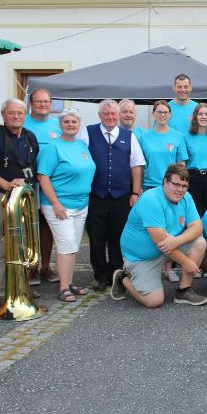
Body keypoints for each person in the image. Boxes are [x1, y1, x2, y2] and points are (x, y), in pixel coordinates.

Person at [113, 163, 207, 308]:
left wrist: (178, 240)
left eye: (184, 186)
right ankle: (123, 278)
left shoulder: (186, 197)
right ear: (165, 182)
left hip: (168, 246)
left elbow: (197, 227)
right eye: (176, 184)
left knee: (199, 243)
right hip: (141, 257)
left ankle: (184, 291)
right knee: (154, 301)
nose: (180, 190)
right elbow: (161, 242)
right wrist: (187, 263)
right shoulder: (151, 199)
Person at [78, 99, 145, 291]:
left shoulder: (128, 136)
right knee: (97, 237)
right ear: (100, 116)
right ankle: (100, 275)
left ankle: (117, 274)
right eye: (105, 114)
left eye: (113, 114)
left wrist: (135, 192)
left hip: (121, 196)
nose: (110, 117)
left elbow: (136, 166)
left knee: (118, 237)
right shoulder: (87, 133)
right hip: (96, 195)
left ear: (118, 115)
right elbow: (80, 160)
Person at [0, 99, 40, 305]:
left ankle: (22, 288)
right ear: (3, 115)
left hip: (25, 197)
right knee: (3, 245)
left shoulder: (30, 137)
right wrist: (8, 185)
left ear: (25, 115)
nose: (16, 116)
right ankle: (1, 291)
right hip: (2, 196)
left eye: (20, 113)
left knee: (25, 245)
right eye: (12, 113)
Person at [37, 109, 95, 302]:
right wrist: (55, 203)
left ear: (79, 125)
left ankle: (69, 282)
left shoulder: (81, 145)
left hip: (81, 205)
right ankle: (63, 288)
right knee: (66, 245)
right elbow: (43, 176)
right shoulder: (53, 147)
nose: (71, 125)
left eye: (74, 122)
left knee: (73, 246)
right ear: (60, 125)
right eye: (67, 122)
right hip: (60, 206)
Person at [24, 88, 61, 285]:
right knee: (30, 225)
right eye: (38, 101)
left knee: (47, 226)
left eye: (46, 101)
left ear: (51, 104)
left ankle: (46, 267)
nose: (43, 105)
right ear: (31, 104)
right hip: (30, 184)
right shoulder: (23, 123)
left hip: (52, 184)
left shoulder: (57, 125)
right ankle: (31, 267)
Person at [141, 100, 189, 190]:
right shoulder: (144, 138)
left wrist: (180, 186)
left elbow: (181, 166)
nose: (162, 115)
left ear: (170, 114)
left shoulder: (178, 136)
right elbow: (140, 166)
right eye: (159, 112)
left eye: (165, 112)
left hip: (172, 185)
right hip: (150, 185)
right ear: (153, 114)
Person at [184, 102, 207, 215]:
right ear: (195, 116)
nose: (203, 117)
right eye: (200, 114)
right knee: (194, 211)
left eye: (206, 114)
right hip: (193, 177)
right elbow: (182, 163)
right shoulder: (186, 138)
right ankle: (196, 233)